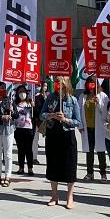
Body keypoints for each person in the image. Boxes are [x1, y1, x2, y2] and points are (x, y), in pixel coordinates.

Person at [41, 76, 80, 210]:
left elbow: (78, 121)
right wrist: (51, 115)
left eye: (60, 82)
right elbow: (42, 114)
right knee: (53, 165)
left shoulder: (72, 100)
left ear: (66, 84)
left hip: (67, 136)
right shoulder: (50, 98)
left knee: (70, 165)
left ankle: (70, 197)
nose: (57, 84)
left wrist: (66, 119)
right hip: (53, 135)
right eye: (56, 82)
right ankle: (54, 195)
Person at [79, 75, 108, 182]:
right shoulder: (83, 96)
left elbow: (105, 113)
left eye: (93, 83)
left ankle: (103, 173)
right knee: (89, 151)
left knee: (101, 151)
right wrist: (80, 125)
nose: (91, 85)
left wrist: (98, 103)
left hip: (99, 128)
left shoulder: (103, 96)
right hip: (87, 128)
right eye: (89, 83)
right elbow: (79, 112)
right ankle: (90, 173)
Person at [0, 82, 18, 187]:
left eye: (5, 88)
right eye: (2, 88)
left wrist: (12, 110)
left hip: (8, 129)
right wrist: (1, 117)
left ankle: (7, 176)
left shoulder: (9, 100)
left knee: (8, 153)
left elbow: (16, 115)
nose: (4, 90)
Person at [14, 84, 34, 176]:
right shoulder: (14, 104)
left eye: (23, 91)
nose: (22, 93)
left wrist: (34, 106)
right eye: (20, 92)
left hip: (28, 128)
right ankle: (21, 167)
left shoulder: (30, 103)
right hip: (18, 128)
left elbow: (36, 113)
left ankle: (30, 168)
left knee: (29, 149)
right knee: (20, 149)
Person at [32, 81, 47, 165]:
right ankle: (34, 157)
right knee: (35, 139)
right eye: (43, 85)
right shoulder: (35, 97)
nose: (44, 87)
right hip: (36, 120)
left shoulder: (48, 97)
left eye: (46, 86)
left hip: (45, 121)